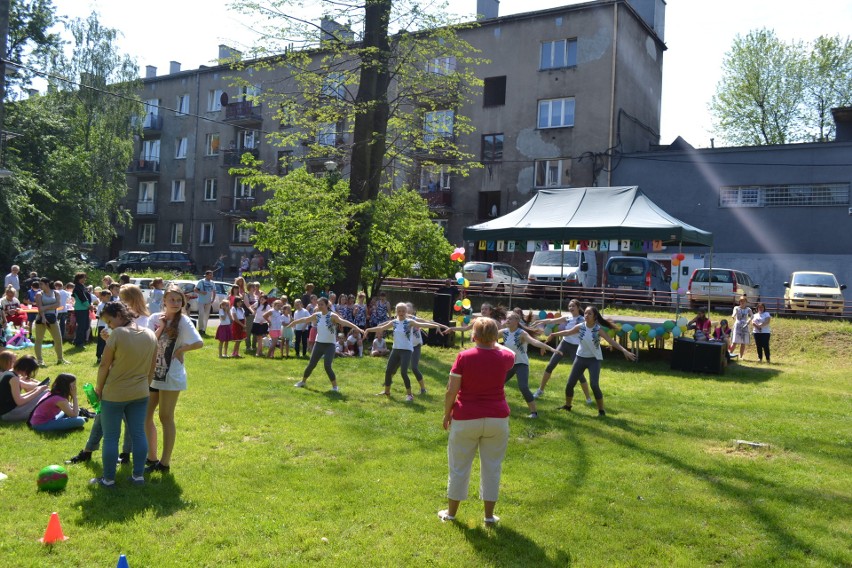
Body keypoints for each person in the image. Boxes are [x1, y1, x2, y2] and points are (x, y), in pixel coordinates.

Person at [438, 317, 516, 525]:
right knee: (492, 467)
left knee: (459, 466)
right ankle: (489, 516)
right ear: (494, 336)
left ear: (474, 336)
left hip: (466, 418)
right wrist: (493, 341)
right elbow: (511, 353)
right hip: (497, 418)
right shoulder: (504, 357)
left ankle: (451, 513)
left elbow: (450, 391)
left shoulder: (464, 356)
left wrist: (447, 414)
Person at [88, 302, 158, 487]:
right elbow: (152, 367)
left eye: (110, 321)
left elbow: (104, 365)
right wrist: (145, 385)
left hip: (114, 394)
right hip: (141, 392)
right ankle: (138, 476)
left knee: (111, 437)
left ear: (119, 315)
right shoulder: (150, 334)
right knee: (138, 434)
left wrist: (99, 388)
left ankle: (108, 479)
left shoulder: (118, 334)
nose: (109, 326)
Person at [145, 287, 204, 474]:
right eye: (172, 299)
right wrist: (161, 327)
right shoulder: (154, 318)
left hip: (171, 375)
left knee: (165, 416)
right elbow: (147, 343)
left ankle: (164, 462)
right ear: (164, 300)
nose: (176, 303)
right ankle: (151, 457)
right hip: (152, 373)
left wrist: (180, 351)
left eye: (179, 300)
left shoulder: (184, 321)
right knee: (145, 416)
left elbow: (198, 342)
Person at [551, 306, 636, 416]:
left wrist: (624, 350)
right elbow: (567, 332)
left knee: (594, 385)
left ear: (595, 316)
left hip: (594, 360)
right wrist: (554, 334)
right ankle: (568, 406)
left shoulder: (598, 329)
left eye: (589, 314)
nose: (586, 315)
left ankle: (601, 411)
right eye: (585, 313)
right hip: (580, 358)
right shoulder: (580, 326)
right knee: (570, 384)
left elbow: (610, 341)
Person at [368, 303, 446, 401]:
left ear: (406, 312)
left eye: (403, 311)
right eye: (399, 311)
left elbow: (423, 324)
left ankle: (409, 394)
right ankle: (387, 391)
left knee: (403, 372)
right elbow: (381, 328)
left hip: (406, 350)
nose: (401, 313)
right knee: (388, 371)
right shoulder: (394, 322)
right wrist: (368, 330)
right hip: (395, 349)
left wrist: (435, 326)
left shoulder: (410, 322)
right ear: (396, 312)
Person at [288, 297, 365, 392]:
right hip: (318, 344)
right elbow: (305, 319)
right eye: (318, 304)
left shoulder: (332, 316)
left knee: (327, 366)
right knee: (311, 364)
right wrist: (294, 322)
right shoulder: (317, 315)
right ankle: (303, 381)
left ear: (326, 305)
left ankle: (335, 387)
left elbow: (344, 322)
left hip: (330, 345)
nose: (319, 306)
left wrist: (358, 328)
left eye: (321, 304)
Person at [531, 300, 593, 404]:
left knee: (579, 373)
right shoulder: (567, 318)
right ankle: (540, 390)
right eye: (569, 306)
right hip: (564, 344)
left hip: (576, 347)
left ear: (578, 307)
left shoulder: (582, 320)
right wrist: (540, 321)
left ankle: (588, 398)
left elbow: (571, 332)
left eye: (573, 306)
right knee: (550, 366)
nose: (571, 308)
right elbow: (552, 321)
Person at [500, 312, 556, 419]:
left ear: (517, 322)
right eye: (507, 318)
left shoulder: (521, 333)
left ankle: (534, 413)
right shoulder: (504, 332)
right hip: (508, 364)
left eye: (510, 319)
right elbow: (489, 335)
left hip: (521, 364)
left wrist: (550, 348)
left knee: (523, 387)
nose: (507, 320)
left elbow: (534, 341)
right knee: (497, 385)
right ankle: (498, 407)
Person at [0, 355, 49, 422]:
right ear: (26, 369)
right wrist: (38, 391)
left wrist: (35, 390)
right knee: (46, 393)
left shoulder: (9, 373)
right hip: (8, 413)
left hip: (5, 411)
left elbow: (15, 398)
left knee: (44, 392)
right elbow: (19, 401)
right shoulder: (14, 379)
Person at [34, 277, 69, 367]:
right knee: (39, 340)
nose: (40, 286)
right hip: (41, 318)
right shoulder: (39, 294)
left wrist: (45, 307)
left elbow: (58, 305)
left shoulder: (56, 292)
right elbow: (39, 308)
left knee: (58, 339)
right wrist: (43, 317)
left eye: (41, 284)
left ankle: (60, 359)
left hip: (53, 318)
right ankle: (40, 360)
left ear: (47, 284)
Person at [71, 272, 92, 348]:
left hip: (84, 309)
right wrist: (89, 306)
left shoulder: (82, 286)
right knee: (82, 326)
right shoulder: (77, 288)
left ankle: (77, 340)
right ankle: (79, 343)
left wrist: (89, 306)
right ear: (78, 279)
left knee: (85, 326)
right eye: (83, 277)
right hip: (81, 309)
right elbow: (83, 298)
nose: (85, 279)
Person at [731, 295, 753, 360]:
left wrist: (749, 321)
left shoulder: (748, 309)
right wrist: (733, 315)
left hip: (745, 325)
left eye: (744, 301)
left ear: (746, 302)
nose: (742, 302)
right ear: (739, 302)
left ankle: (741, 356)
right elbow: (734, 312)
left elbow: (752, 316)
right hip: (737, 325)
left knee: (743, 342)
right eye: (741, 301)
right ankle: (729, 354)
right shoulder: (736, 308)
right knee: (734, 341)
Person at [194, 270, 217, 334]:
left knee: (206, 316)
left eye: (212, 275)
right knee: (201, 314)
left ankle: (204, 330)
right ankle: (200, 329)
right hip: (201, 301)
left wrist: (213, 299)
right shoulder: (201, 281)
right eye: (210, 275)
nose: (211, 276)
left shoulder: (212, 283)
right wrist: (201, 292)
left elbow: (214, 291)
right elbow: (195, 290)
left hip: (208, 301)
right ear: (206, 275)